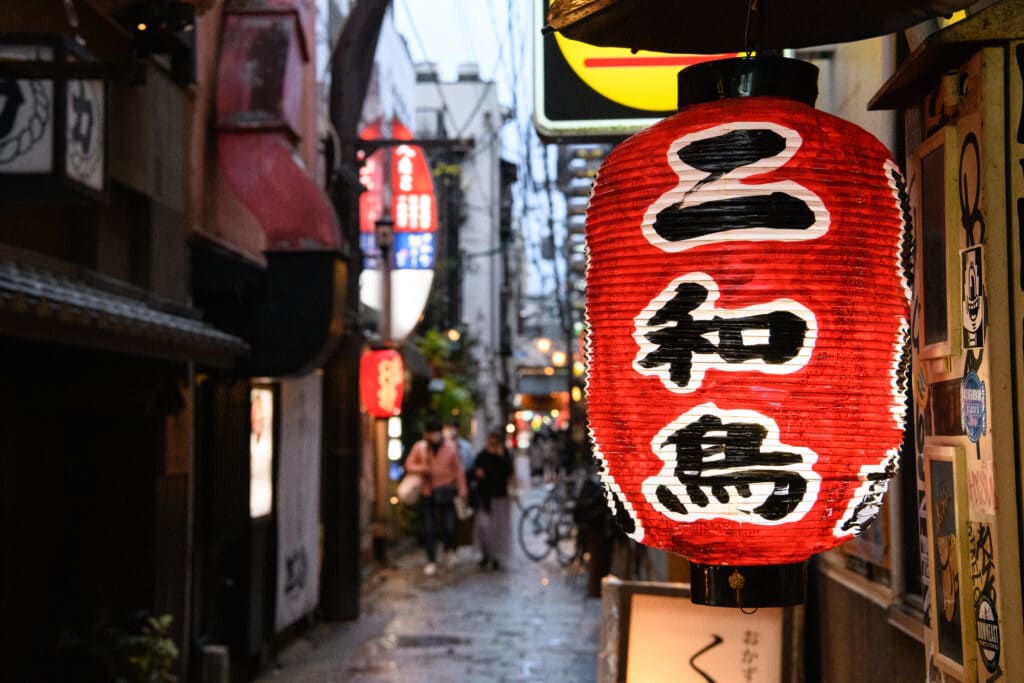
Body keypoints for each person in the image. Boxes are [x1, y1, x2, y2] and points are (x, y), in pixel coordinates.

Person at [404, 417, 468, 575]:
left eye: (436, 432)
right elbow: (409, 464)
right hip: (428, 492)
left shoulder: (451, 448)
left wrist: (462, 489)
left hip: (446, 491)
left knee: (449, 526)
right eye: (431, 432)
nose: (434, 436)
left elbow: (458, 469)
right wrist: (422, 469)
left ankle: (449, 551)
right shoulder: (421, 447)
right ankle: (431, 559)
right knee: (429, 528)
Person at [471, 430, 514, 570]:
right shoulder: (482, 455)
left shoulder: (504, 455)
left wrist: (500, 456)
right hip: (485, 497)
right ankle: (485, 554)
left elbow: (509, 472)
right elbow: (474, 471)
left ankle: (496, 556)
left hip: (500, 497)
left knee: (498, 530)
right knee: (483, 528)